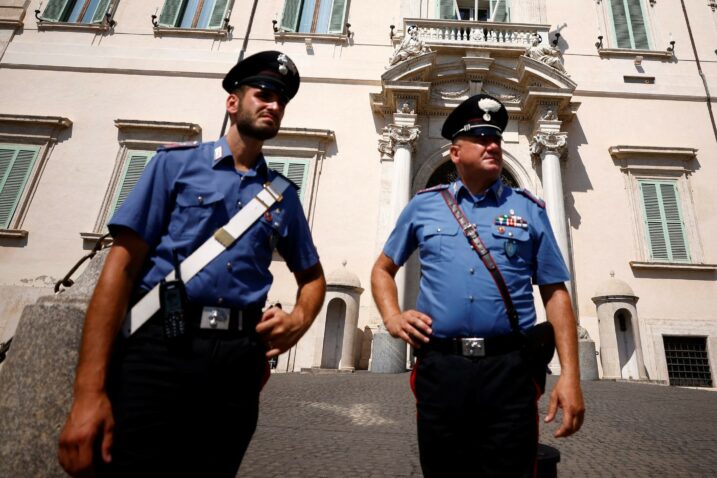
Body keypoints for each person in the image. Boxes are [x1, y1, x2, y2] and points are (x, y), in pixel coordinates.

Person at [58, 51, 326, 477]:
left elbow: (312, 277)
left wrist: (299, 319)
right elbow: (120, 269)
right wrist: (88, 394)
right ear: (233, 102)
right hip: (159, 345)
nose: (274, 105)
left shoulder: (282, 195)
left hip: (237, 360)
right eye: (264, 94)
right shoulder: (174, 165)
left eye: (282, 100)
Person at [371, 94, 584, 477]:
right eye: (481, 138)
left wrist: (569, 375)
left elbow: (555, 293)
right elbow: (383, 269)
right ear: (455, 152)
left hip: (510, 370)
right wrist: (392, 317)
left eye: (497, 139)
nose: (493, 145)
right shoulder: (424, 206)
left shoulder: (529, 209)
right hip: (442, 367)